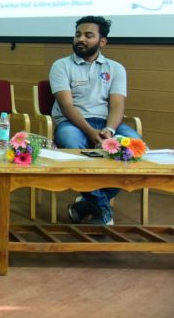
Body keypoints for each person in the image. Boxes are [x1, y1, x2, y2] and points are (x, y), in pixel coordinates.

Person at [49, 16, 140, 225]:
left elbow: (117, 105)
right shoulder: (61, 66)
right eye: (78, 34)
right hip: (73, 123)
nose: (81, 39)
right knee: (72, 145)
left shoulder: (116, 68)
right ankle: (101, 209)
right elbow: (66, 106)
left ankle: (88, 202)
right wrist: (90, 132)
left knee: (137, 149)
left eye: (88, 35)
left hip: (107, 123)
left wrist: (109, 130)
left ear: (102, 41)